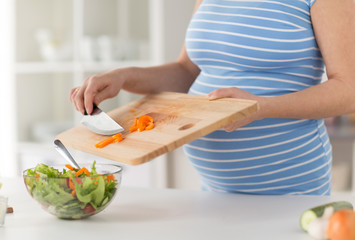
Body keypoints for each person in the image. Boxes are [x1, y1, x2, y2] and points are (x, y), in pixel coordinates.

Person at [70, 0, 355, 195]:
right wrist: (124, 77)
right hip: (214, 189)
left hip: (288, 189)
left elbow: (348, 89)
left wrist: (263, 107)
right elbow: (187, 71)